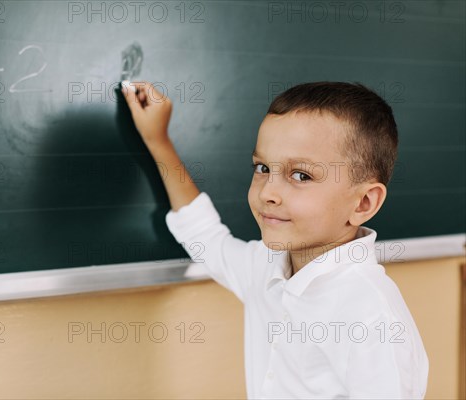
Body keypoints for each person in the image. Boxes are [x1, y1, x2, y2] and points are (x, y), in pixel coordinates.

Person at [121, 81, 429, 399]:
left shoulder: (371, 318)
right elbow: (205, 237)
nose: (267, 192)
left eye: (301, 175)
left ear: (363, 203)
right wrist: (157, 140)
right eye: (262, 168)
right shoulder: (266, 268)